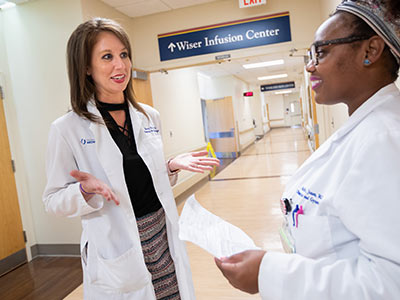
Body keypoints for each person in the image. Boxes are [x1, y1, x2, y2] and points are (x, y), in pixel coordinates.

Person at [215, 0, 400, 299]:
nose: (311, 66)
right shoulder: (364, 129)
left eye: (322, 52)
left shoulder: (386, 140)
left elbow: (391, 284)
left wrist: (269, 273)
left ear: (370, 51)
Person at [43, 18, 219, 300]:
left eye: (124, 54)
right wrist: (84, 191)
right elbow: (52, 200)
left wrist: (169, 167)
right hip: (118, 246)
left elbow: (140, 179)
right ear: (86, 67)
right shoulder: (67, 129)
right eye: (107, 57)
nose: (120, 65)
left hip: (162, 237)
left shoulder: (149, 116)